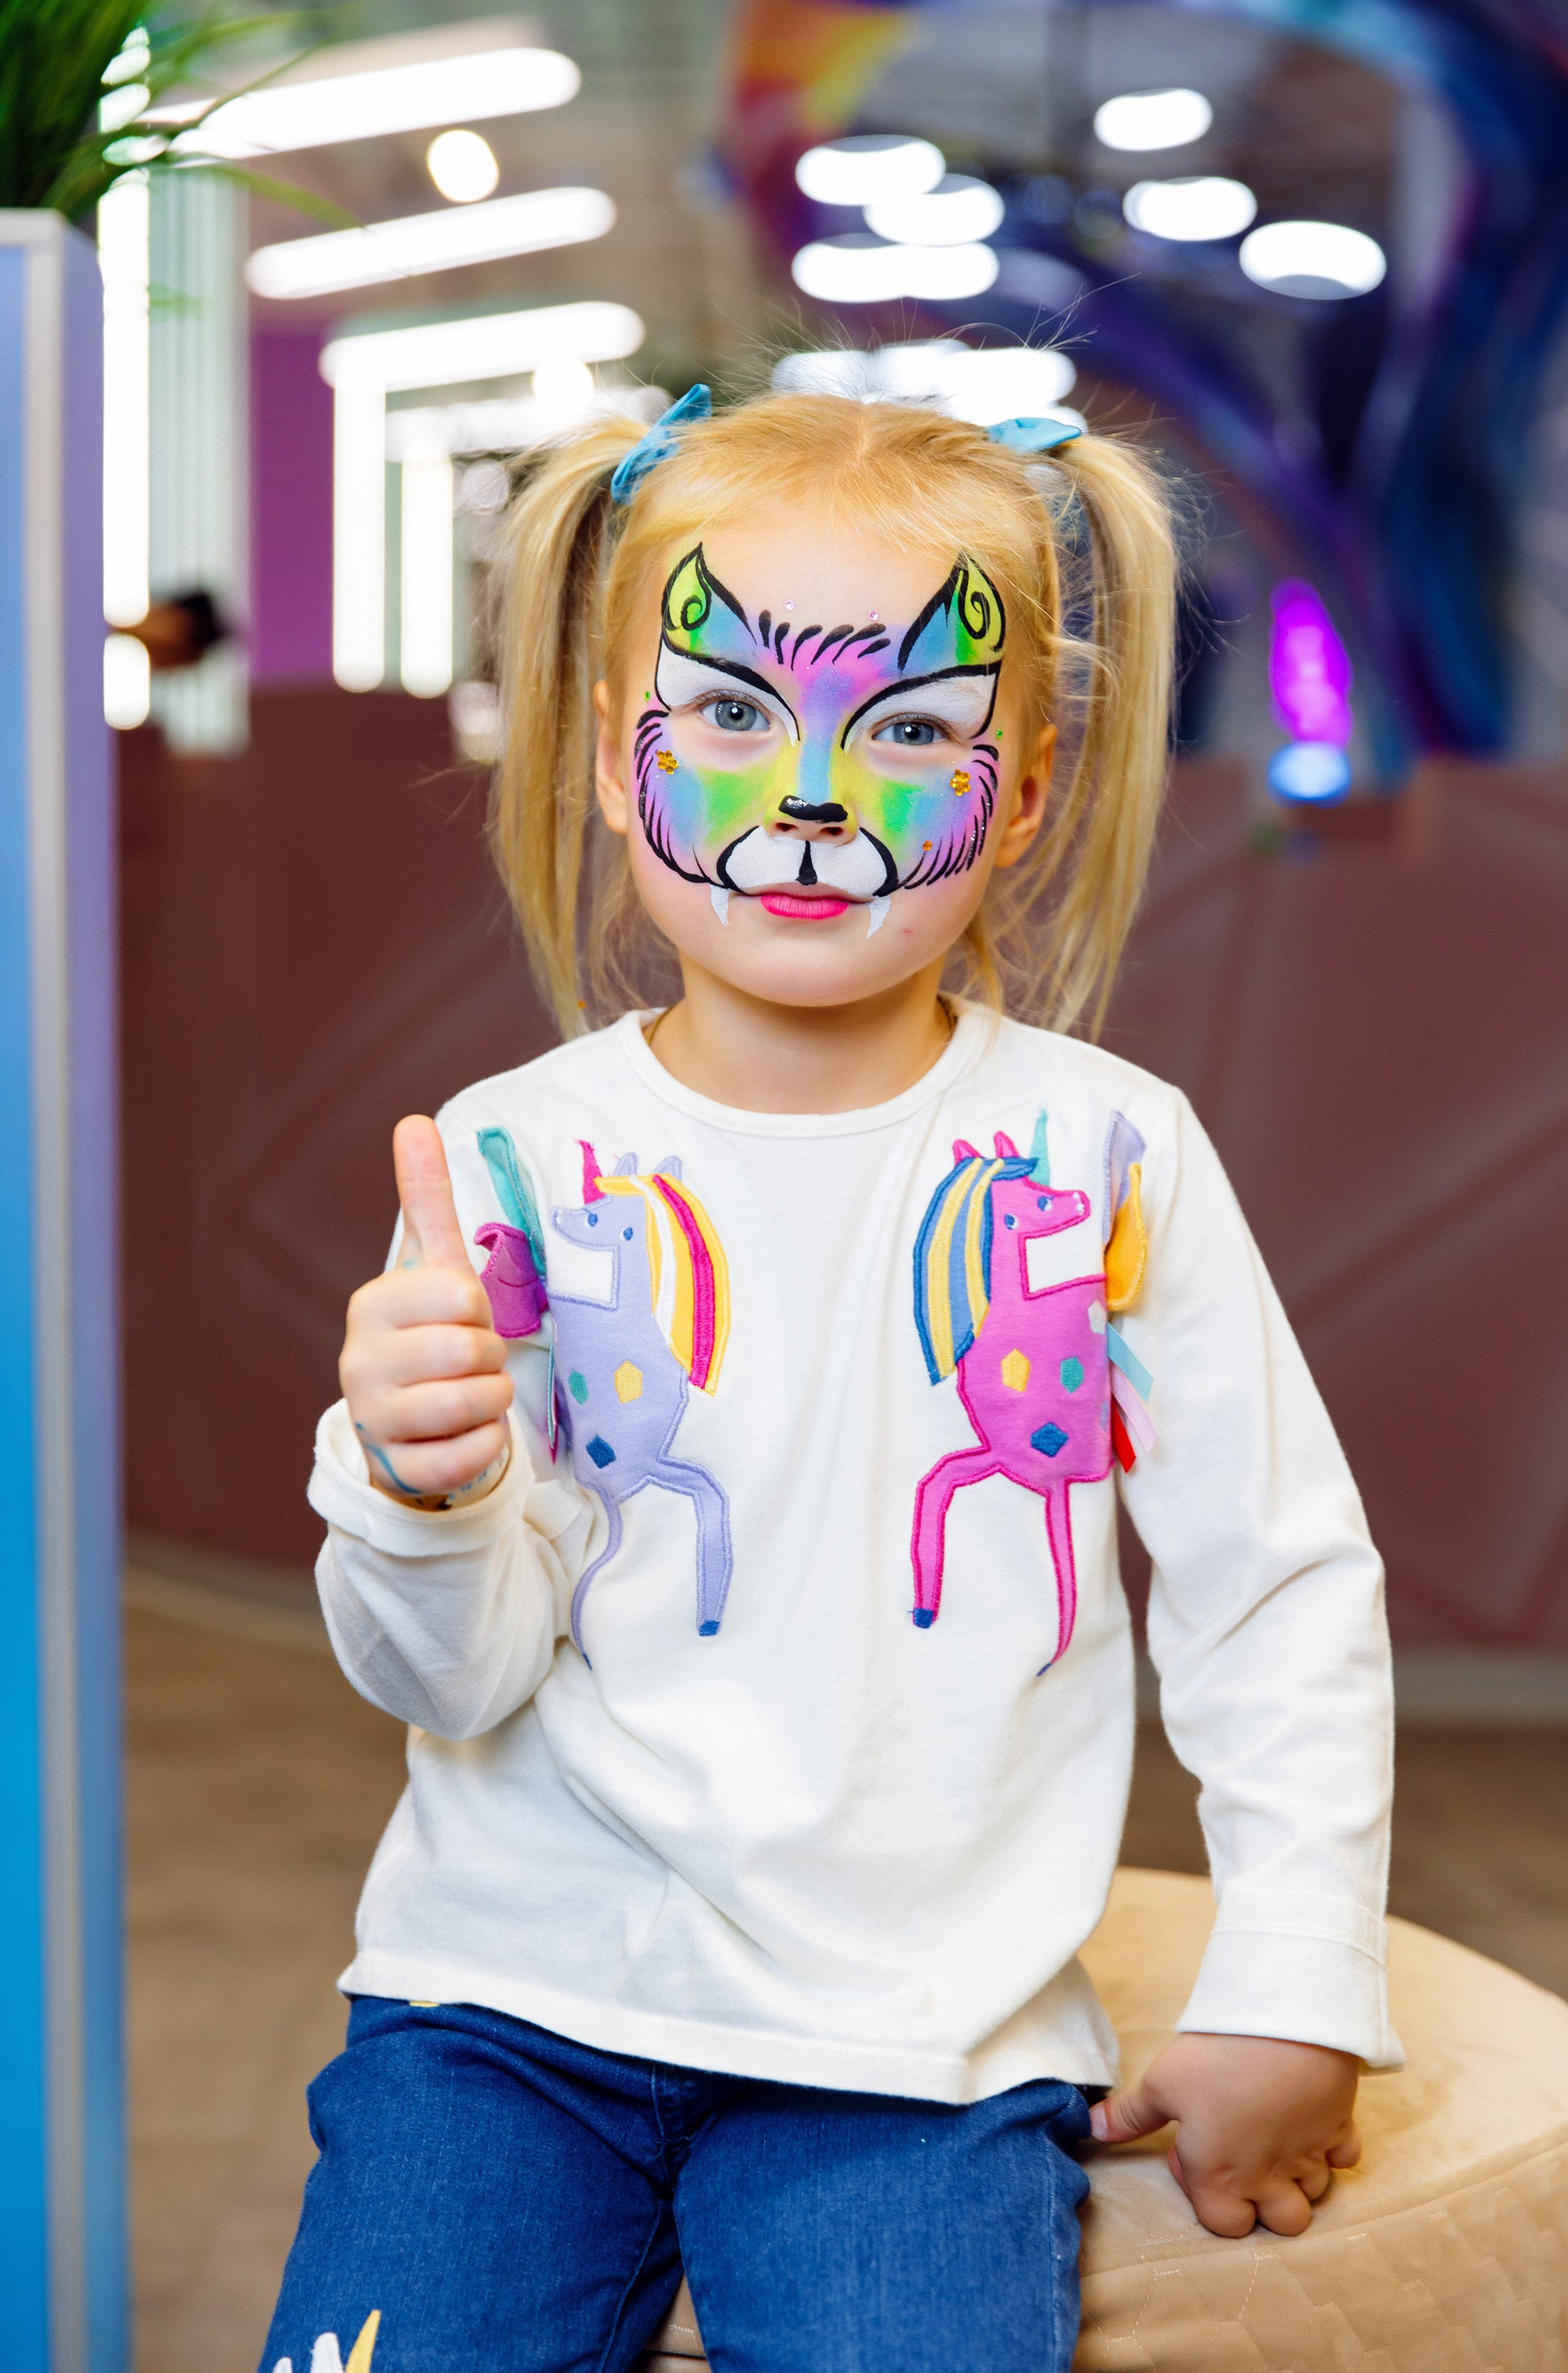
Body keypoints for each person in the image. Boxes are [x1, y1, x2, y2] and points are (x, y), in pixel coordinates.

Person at [260, 387, 1395, 2373]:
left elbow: (1272, 1584)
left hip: (921, 2047)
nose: (814, 802)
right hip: (497, 2009)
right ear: (614, 765)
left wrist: (1292, 1982)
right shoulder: (503, 1162)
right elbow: (446, 1677)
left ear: (1022, 791)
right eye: (721, 714)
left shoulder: (1112, 1159)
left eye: (911, 735)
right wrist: (419, 1489)